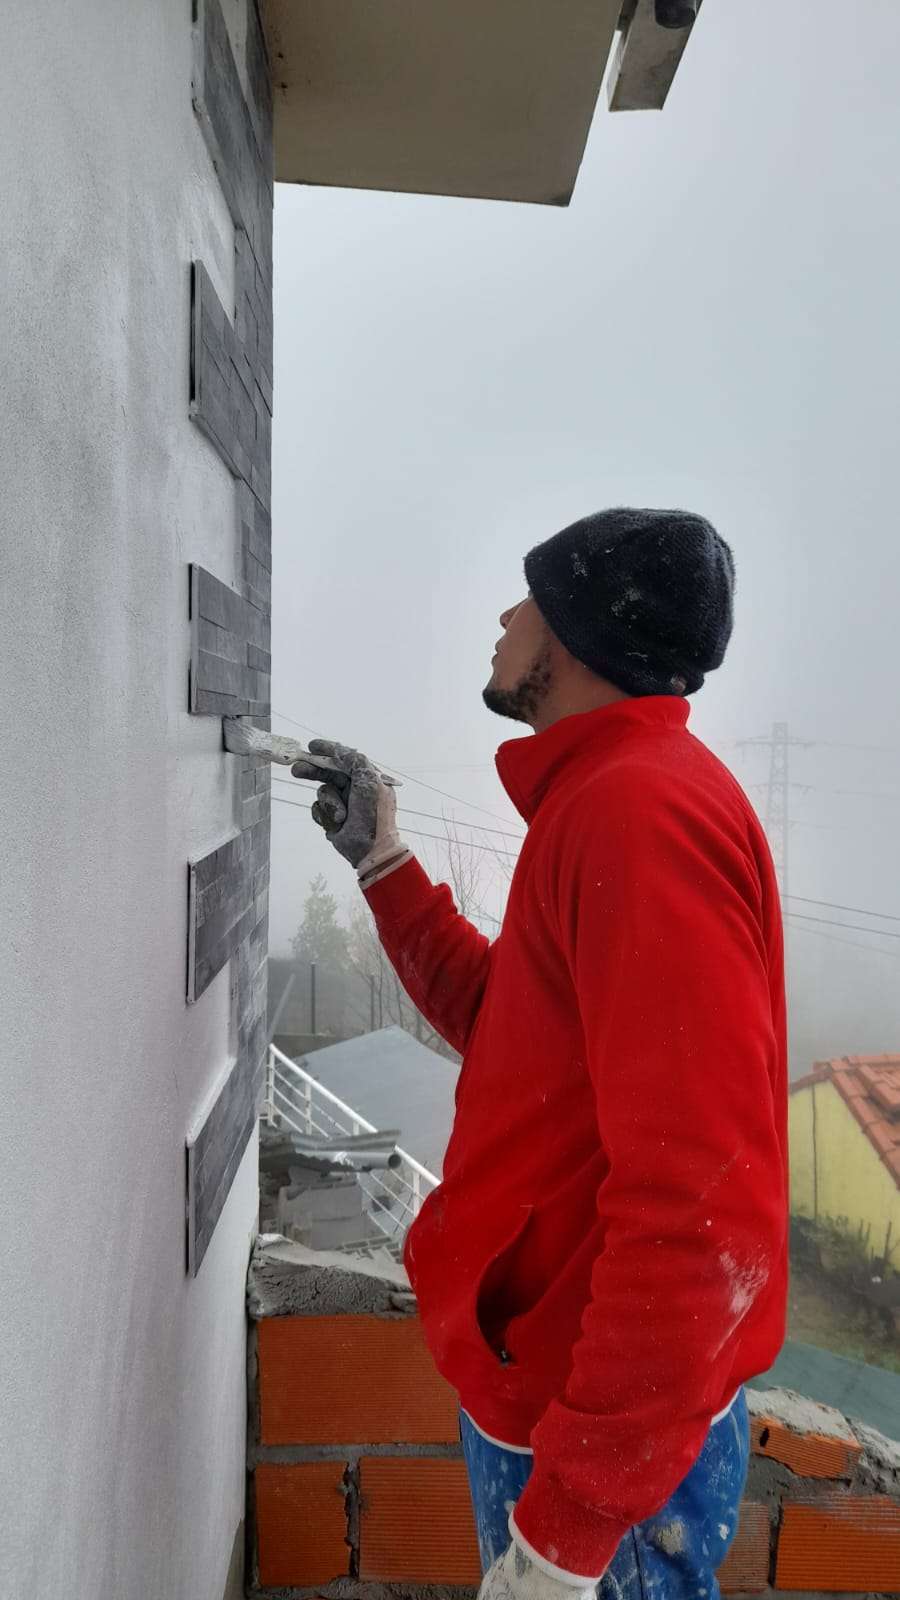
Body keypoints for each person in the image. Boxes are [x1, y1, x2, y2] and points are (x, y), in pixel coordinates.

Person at [292, 507, 788, 1600]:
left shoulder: (638, 815)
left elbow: (701, 1215)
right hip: (567, 1407)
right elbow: (520, 1032)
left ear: (576, 635)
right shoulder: (604, 800)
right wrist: (383, 862)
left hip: (593, 1444)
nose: (507, 616)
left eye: (529, 598)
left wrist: (566, 1536)